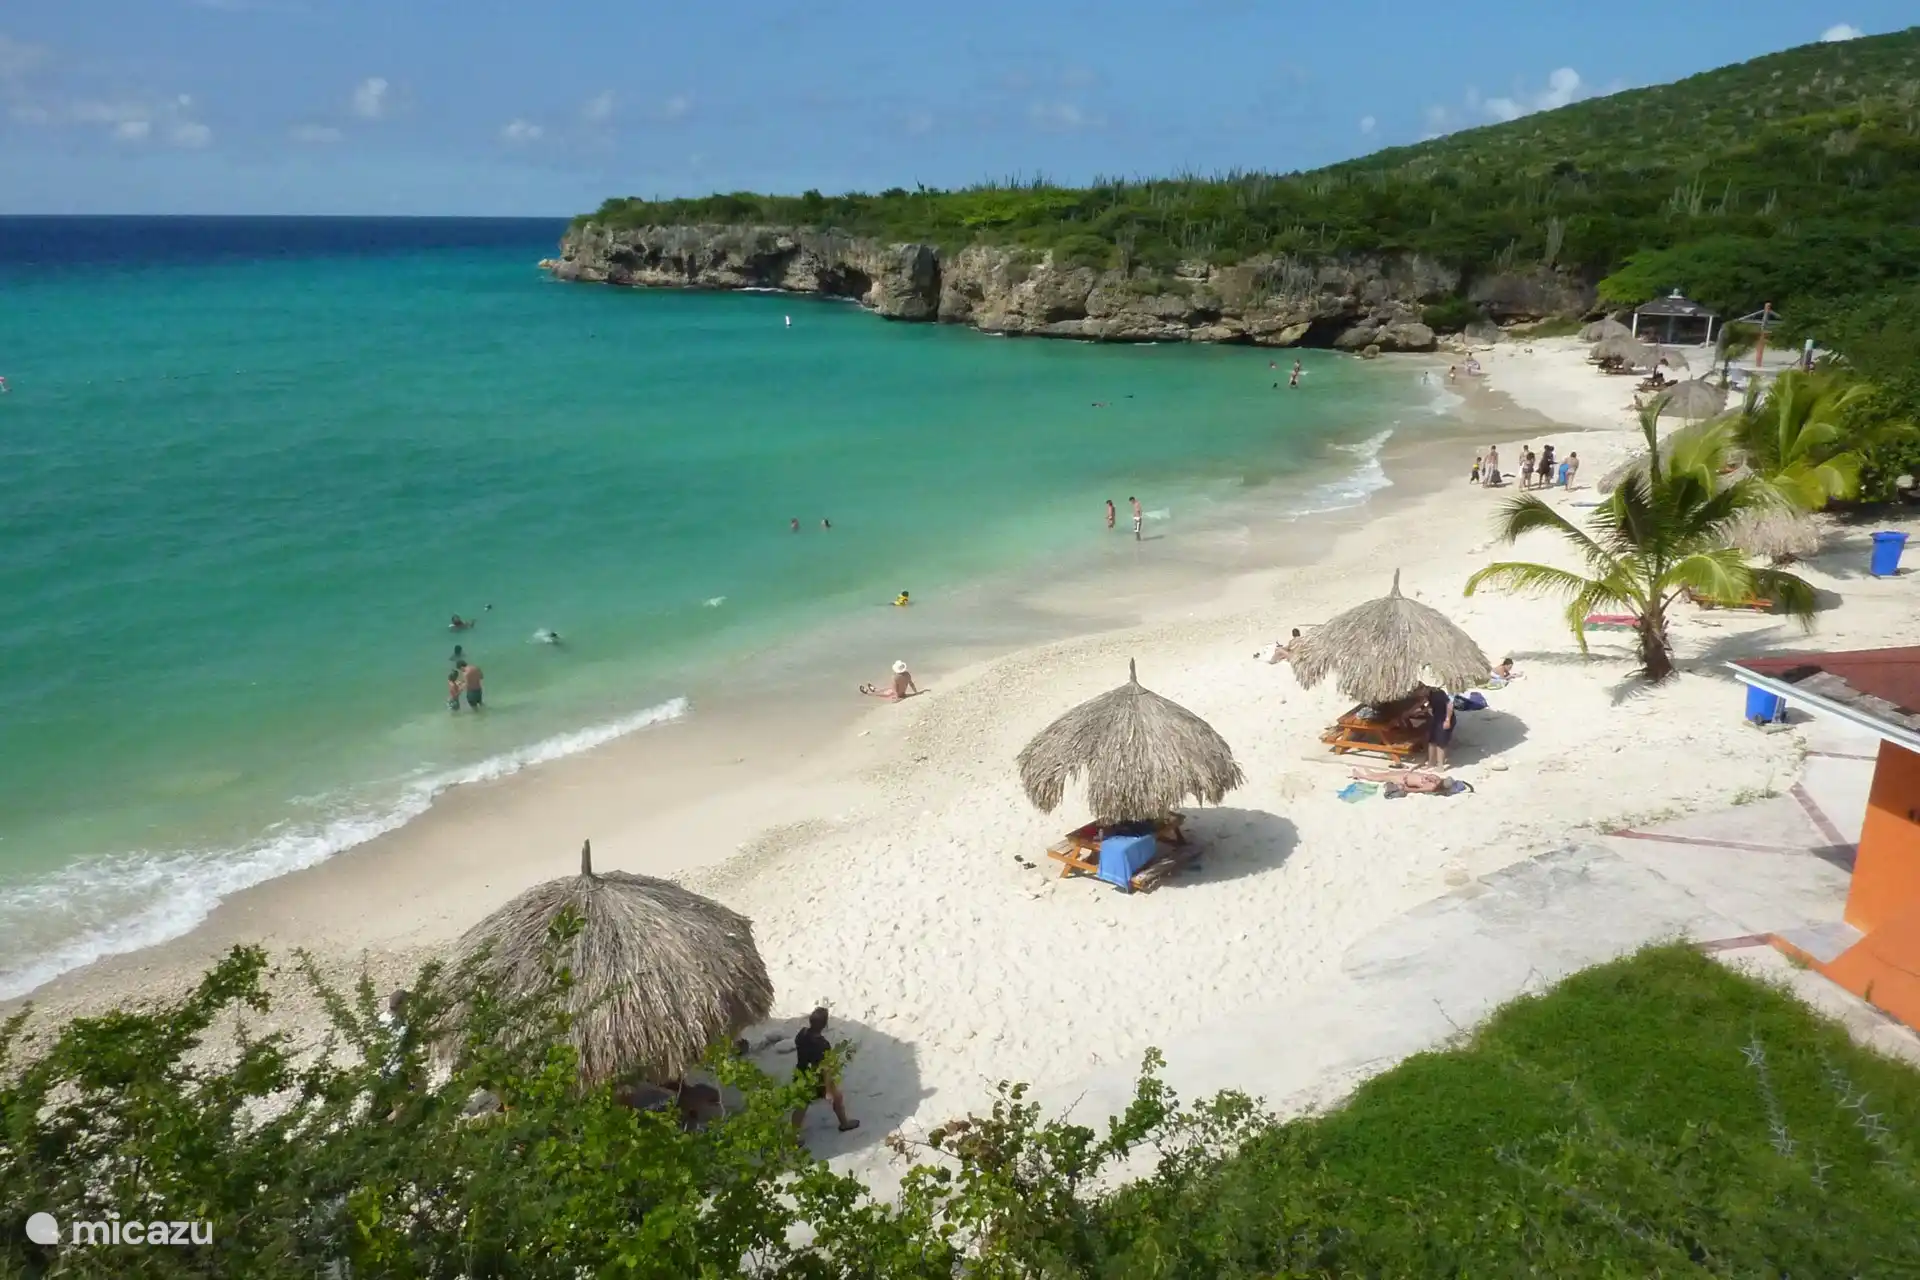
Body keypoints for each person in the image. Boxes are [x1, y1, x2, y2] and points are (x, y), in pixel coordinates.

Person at [789, 1007, 859, 1133]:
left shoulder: (802, 1034)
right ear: (824, 1025)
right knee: (837, 1098)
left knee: (801, 1106)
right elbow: (826, 1069)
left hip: (801, 1072)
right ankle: (844, 1123)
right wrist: (828, 1090)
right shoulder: (823, 1044)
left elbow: (798, 1045)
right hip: (817, 1077)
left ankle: (793, 1136)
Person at [1425, 684, 1455, 768]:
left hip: (1445, 718)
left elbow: (1450, 705)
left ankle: (1440, 765)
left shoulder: (1441, 692)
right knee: (1432, 741)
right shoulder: (1430, 693)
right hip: (1436, 717)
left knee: (1441, 742)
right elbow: (1431, 705)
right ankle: (1431, 763)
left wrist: (1447, 720)